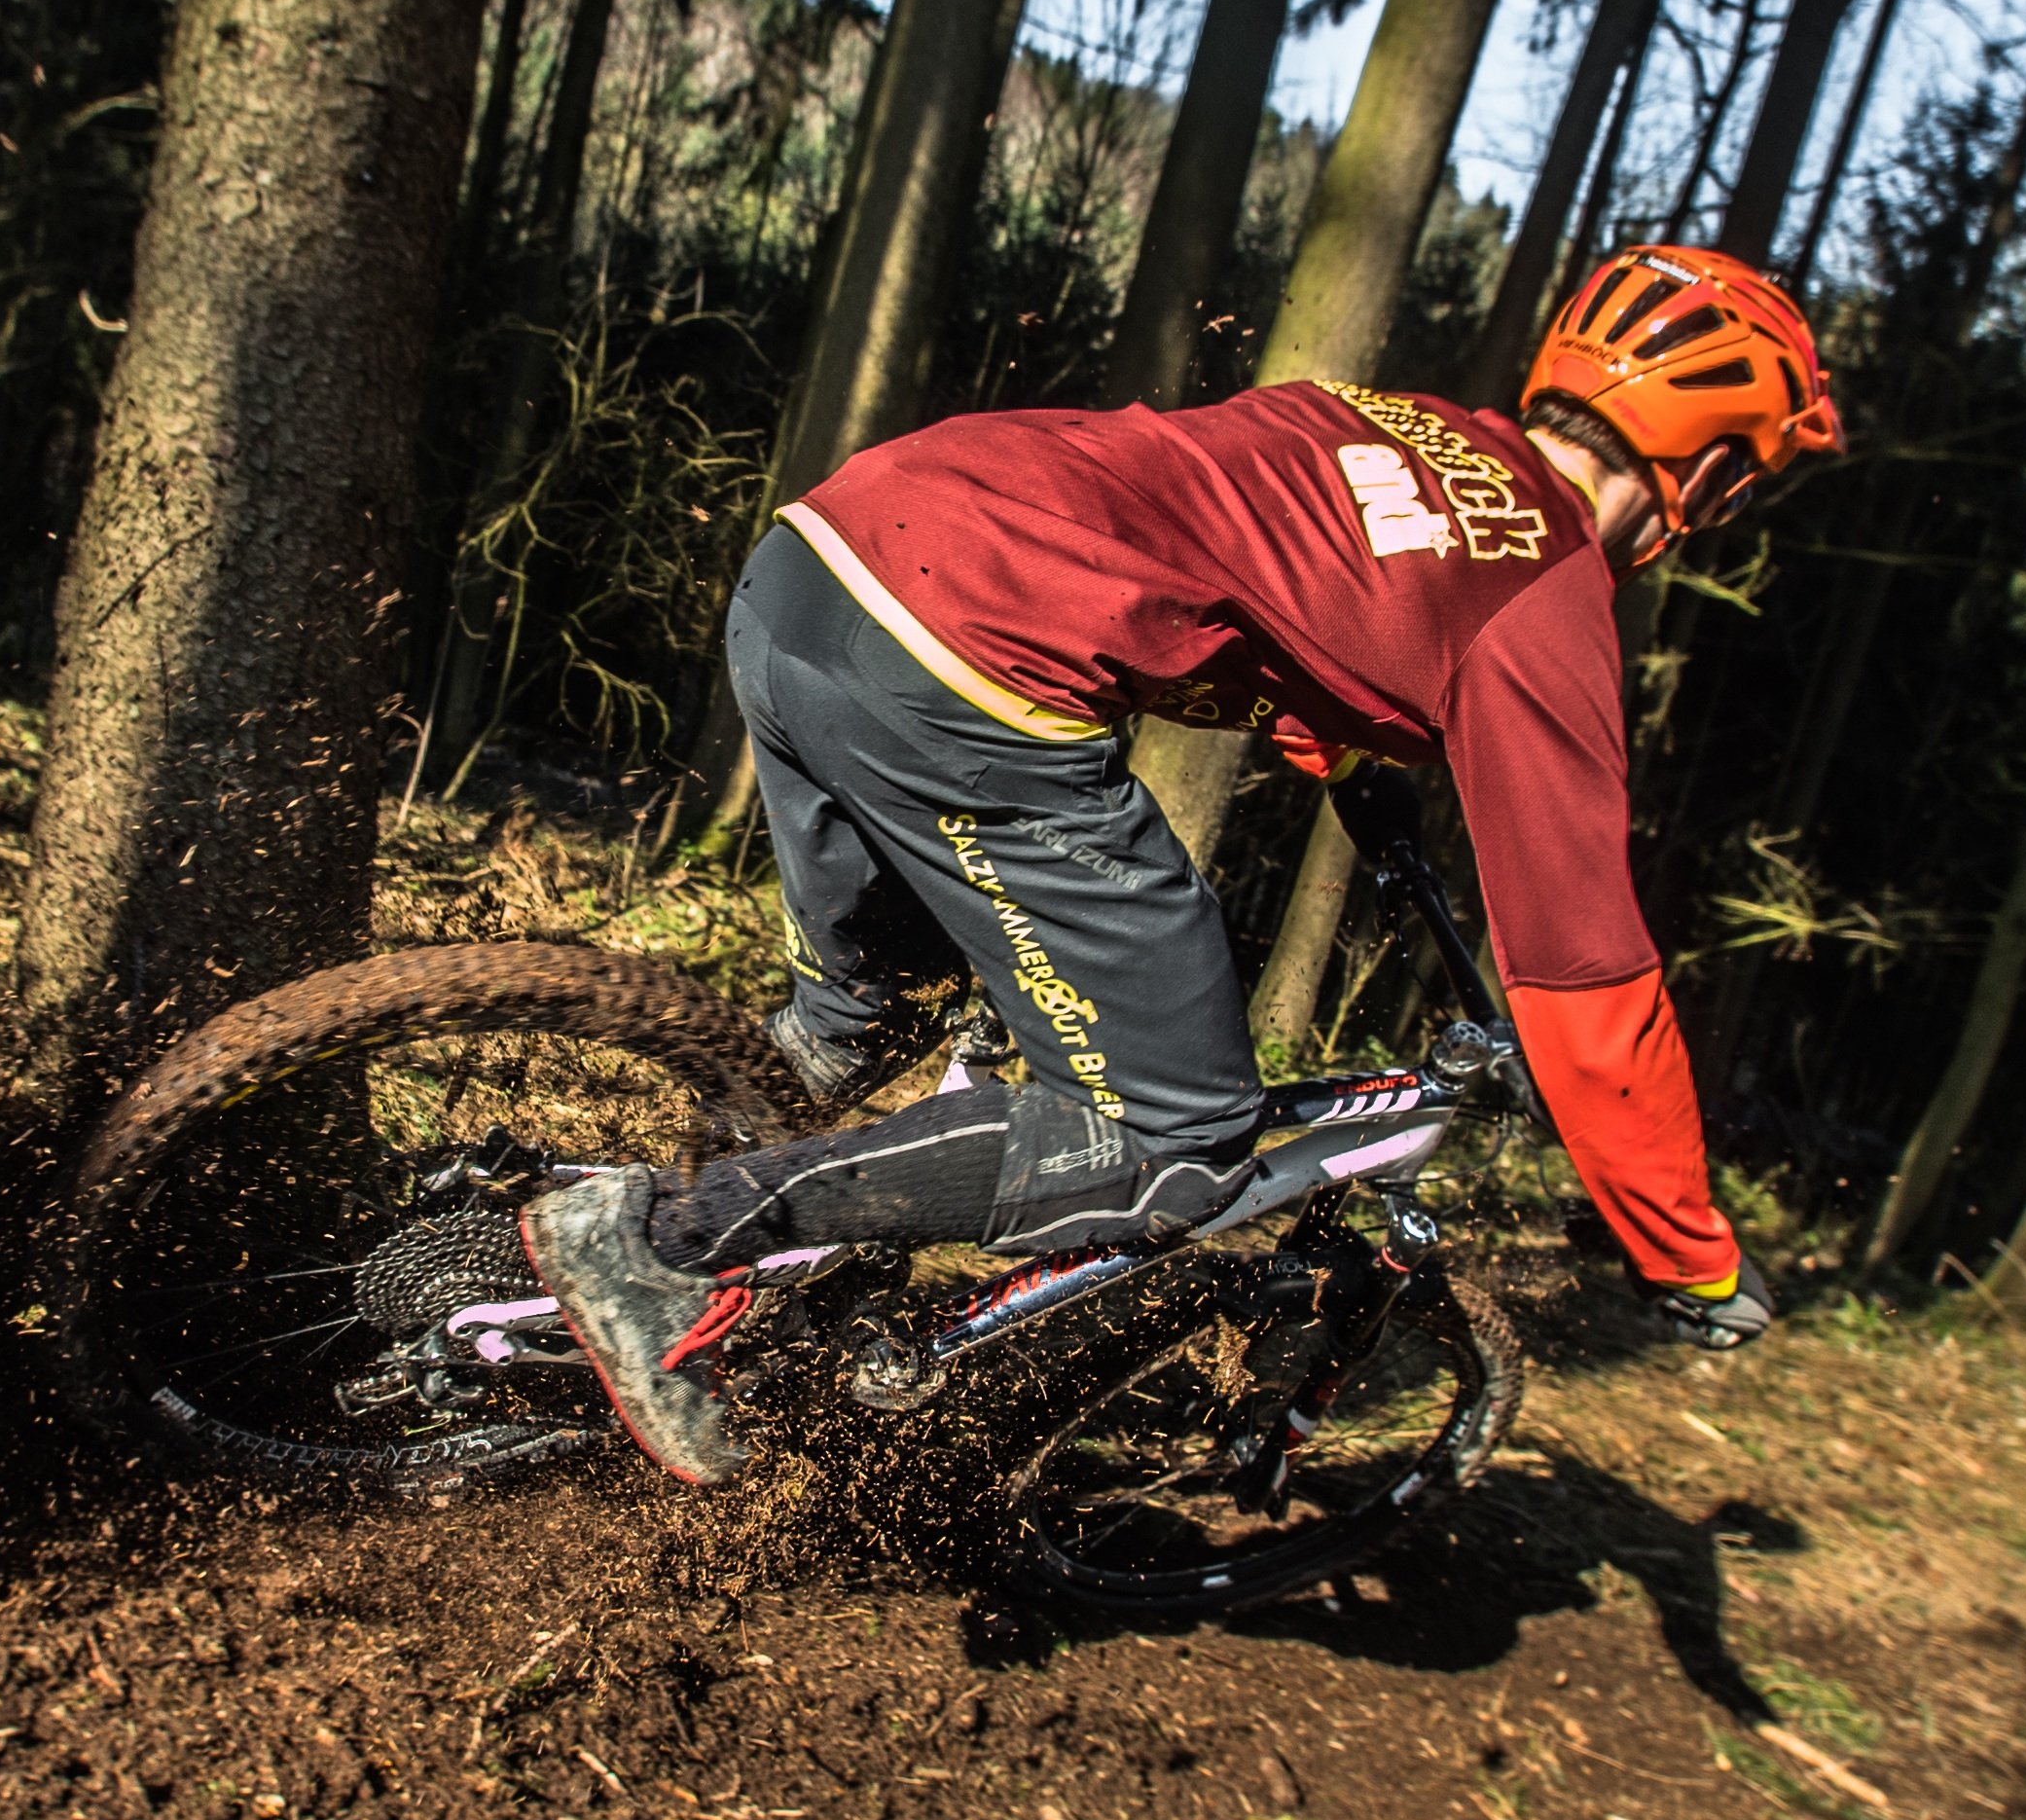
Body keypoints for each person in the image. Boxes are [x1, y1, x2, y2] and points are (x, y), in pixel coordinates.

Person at [524, 245, 1844, 1484]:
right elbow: (1585, 976)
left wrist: (1364, 787)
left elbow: (1283, 604)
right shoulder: (1545, 594)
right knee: (1174, 1134)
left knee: (870, 1007)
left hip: (824, 554)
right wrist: (1690, 1252)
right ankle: (656, 1242)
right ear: (1712, 471)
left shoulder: (1403, 430)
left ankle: (518, 1272)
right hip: (966, 654)